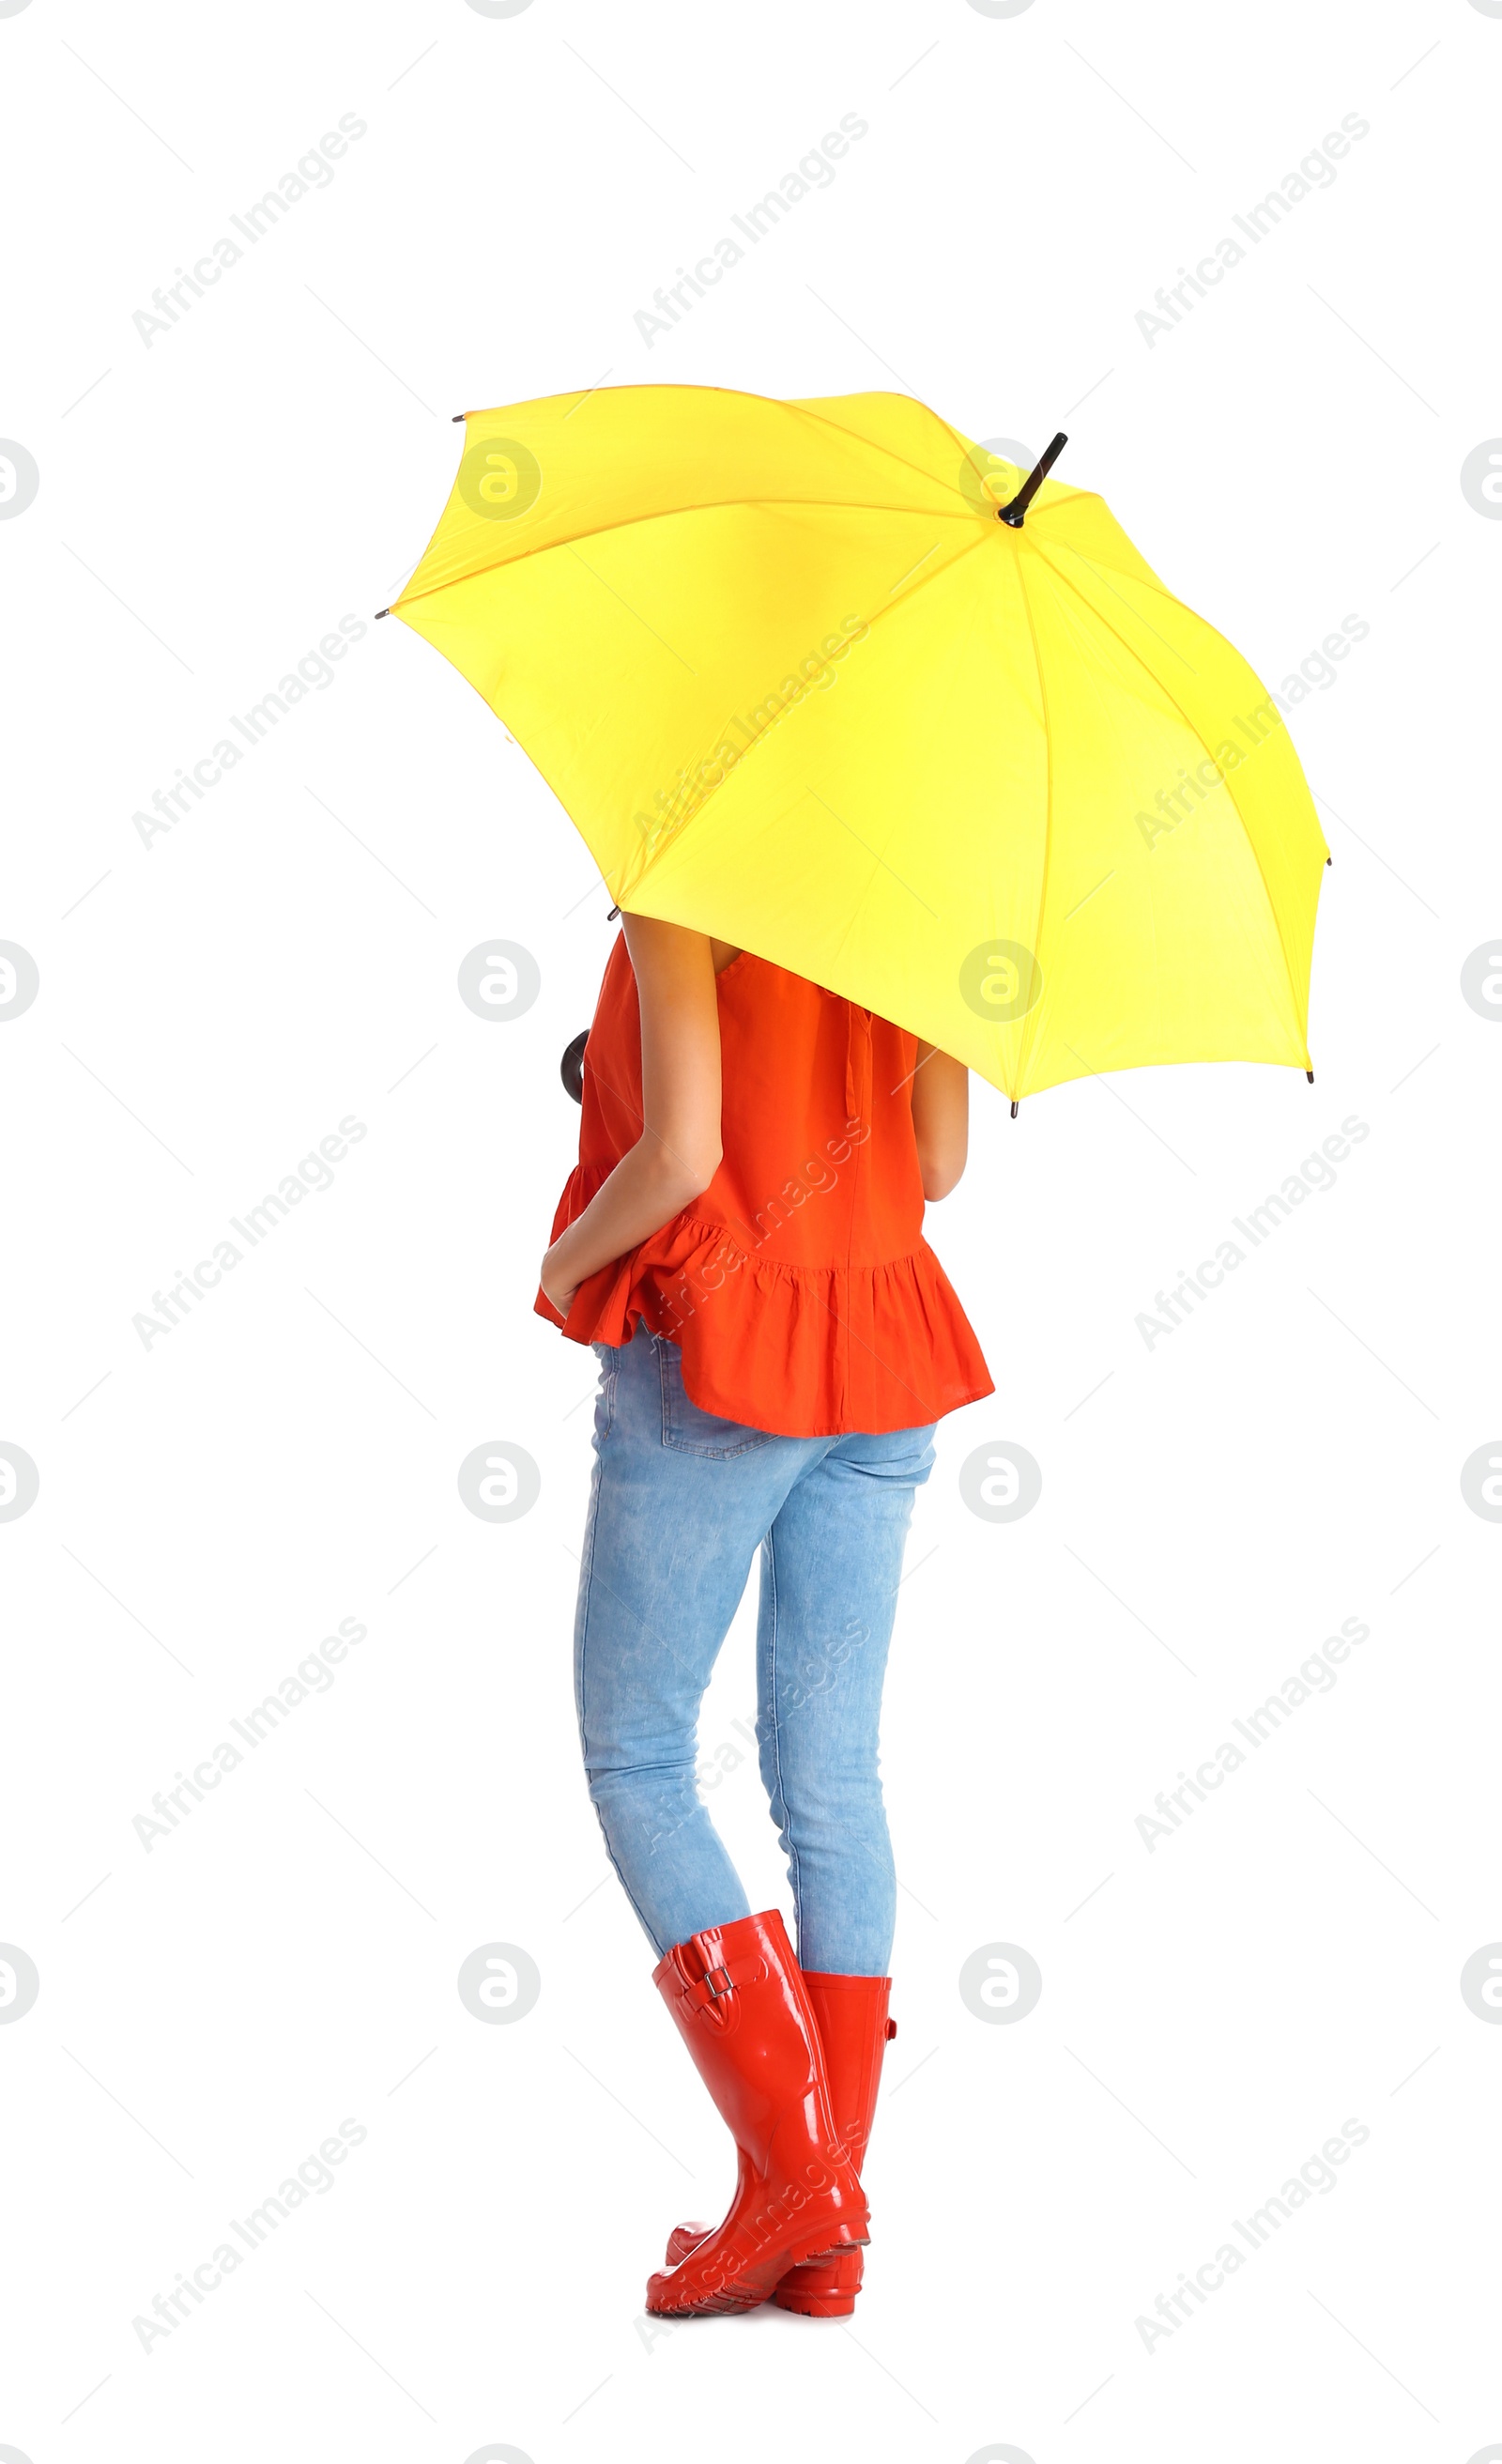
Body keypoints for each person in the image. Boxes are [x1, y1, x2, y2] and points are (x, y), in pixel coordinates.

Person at [536, 913, 993, 2318]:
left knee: (638, 1756)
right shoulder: (912, 897)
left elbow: (678, 1157)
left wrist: (565, 1267)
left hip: (729, 1356)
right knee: (832, 1777)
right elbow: (936, 1167)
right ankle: (821, 2228)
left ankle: (802, 2181)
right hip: (884, 1351)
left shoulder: (694, 889)